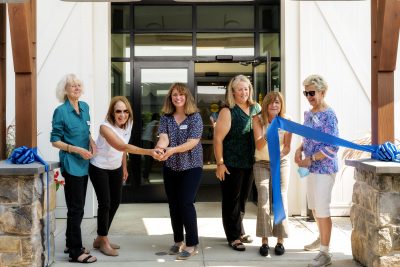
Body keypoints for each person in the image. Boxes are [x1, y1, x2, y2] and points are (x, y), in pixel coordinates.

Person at [89, 96, 159, 256]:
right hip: (99, 167)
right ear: (112, 113)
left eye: (125, 111)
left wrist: (124, 167)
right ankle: (104, 240)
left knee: (115, 202)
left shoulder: (128, 124)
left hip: (116, 168)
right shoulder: (105, 127)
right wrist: (149, 151)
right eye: (118, 111)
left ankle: (100, 238)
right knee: (105, 203)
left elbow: (122, 151)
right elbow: (121, 145)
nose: (122, 115)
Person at [50, 74, 97, 263]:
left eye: (79, 85)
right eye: (72, 86)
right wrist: (76, 149)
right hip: (71, 164)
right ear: (65, 90)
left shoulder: (85, 107)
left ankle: (70, 242)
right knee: (76, 208)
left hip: (84, 164)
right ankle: (76, 252)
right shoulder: (60, 111)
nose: (76, 88)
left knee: (76, 207)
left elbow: (87, 131)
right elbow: (55, 140)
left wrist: (91, 142)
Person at [154, 82, 203, 260]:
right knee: (174, 204)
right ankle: (177, 241)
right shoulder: (166, 118)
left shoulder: (195, 117)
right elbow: (164, 138)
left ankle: (191, 244)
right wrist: (160, 149)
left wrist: (172, 150)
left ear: (186, 97)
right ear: (171, 98)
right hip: (171, 166)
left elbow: (193, 142)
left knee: (186, 203)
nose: (178, 97)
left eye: (181, 94)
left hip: (192, 166)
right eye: (174, 95)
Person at [294, 74, 339, 267]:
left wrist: (310, 159)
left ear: (322, 91)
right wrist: (299, 149)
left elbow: (333, 147)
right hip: (311, 168)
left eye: (312, 92)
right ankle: (322, 239)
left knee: (322, 209)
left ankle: (325, 252)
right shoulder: (309, 113)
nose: (309, 96)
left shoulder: (329, 115)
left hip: (324, 168)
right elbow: (307, 138)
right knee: (314, 207)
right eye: (306, 93)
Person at [213, 74, 261, 251]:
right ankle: (233, 237)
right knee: (231, 200)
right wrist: (220, 163)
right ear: (232, 92)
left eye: (246, 88)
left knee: (242, 200)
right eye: (240, 89)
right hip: (231, 163)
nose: (244, 92)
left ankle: (239, 230)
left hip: (250, 162)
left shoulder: (256, 108)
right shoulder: (227, 111)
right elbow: (218, 139)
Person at [252, 91, 292, 257]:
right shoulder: (257, 119)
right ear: (266, 105)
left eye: (278, 103)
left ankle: (280, 240)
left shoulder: (287, 121)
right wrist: (271, 132)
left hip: (280, 164)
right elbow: (259, 145)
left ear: (281, 105)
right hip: (261, 164)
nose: (274, 105)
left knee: (280, 199)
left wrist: (281, 154)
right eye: (271, 103)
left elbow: (287, 147)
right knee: (263, 199)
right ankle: (264, 241)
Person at [141, 113, 160, 183]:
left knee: (148, 160)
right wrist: (156, 145)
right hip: (148, 141)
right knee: (148, 161)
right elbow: (155, 134)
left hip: (144, 140)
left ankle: (145, 176)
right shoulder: (157, 123)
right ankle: (145, 177)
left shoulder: (150, 123)